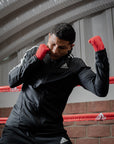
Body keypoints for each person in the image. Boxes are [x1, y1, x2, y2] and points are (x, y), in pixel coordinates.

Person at [0, 23, 109, 144]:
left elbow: (100, 90)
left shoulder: (75, 66)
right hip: (18, 128)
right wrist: (35, 59)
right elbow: (12, 81)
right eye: (53, 44)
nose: (55, 50)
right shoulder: (34, 53)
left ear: (70, 46)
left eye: (61, 47)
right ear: (49, 36)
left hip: (50, 133)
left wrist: (100, 55)